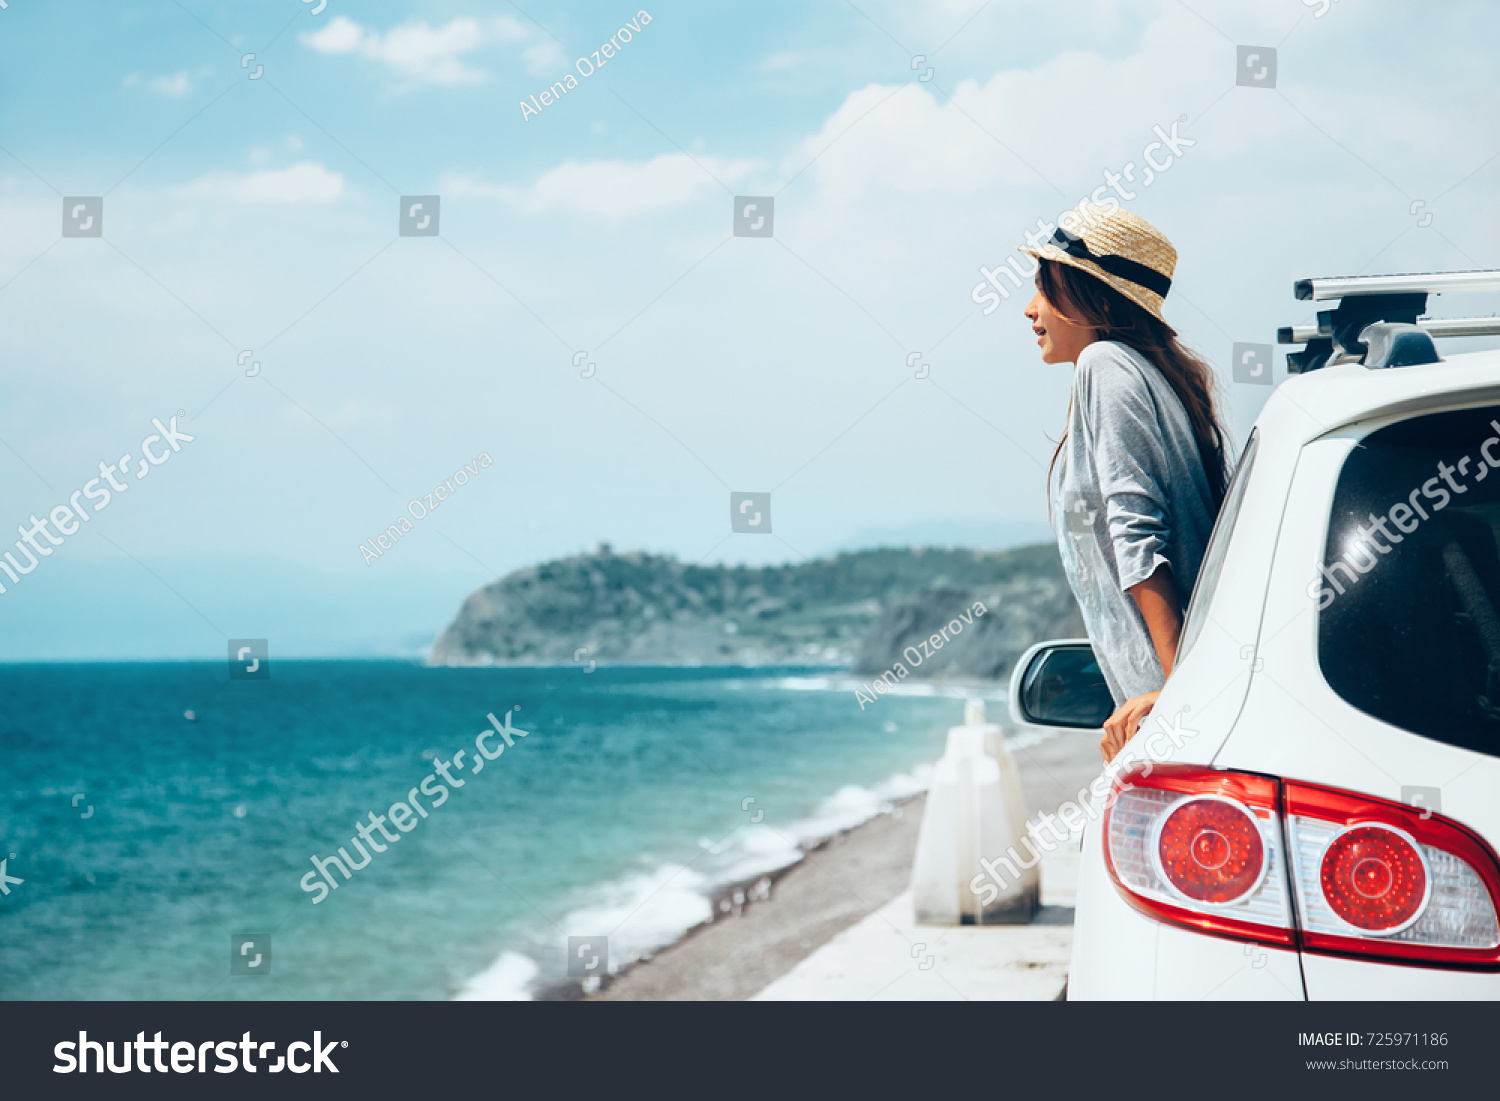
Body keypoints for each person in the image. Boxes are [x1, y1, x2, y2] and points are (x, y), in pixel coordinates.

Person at [1021, 203, 1230, 764]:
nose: (1030, 308)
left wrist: (1179, 693)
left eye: (1046, 287)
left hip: (1172, 713)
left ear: (1102, 300)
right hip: (1177, 703)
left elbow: (1136, 535)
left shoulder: (1105, 365)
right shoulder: (1155, 377)